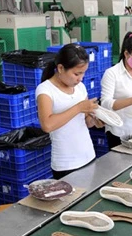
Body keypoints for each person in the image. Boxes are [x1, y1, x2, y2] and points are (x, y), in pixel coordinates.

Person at [37, 44, 102, 179]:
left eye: (83, 73)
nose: (80, 78)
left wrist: (95, 120)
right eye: (77, 73)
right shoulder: (45, 90)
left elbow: (85, 122)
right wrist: (78, 107)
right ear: (60, 68)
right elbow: (47, 125)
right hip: (66, 163)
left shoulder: (80, 87)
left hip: (88, 155)